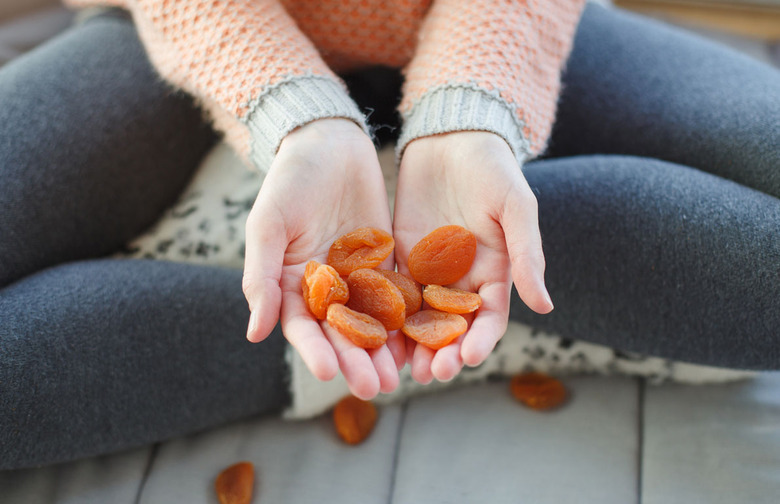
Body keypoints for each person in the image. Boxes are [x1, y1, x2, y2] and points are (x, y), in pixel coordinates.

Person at [1, 0, 778, 470]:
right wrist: (296, 118)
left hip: (499, 27)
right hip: (193, 35)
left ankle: (486, 269)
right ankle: (357, 320)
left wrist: (473, 113)